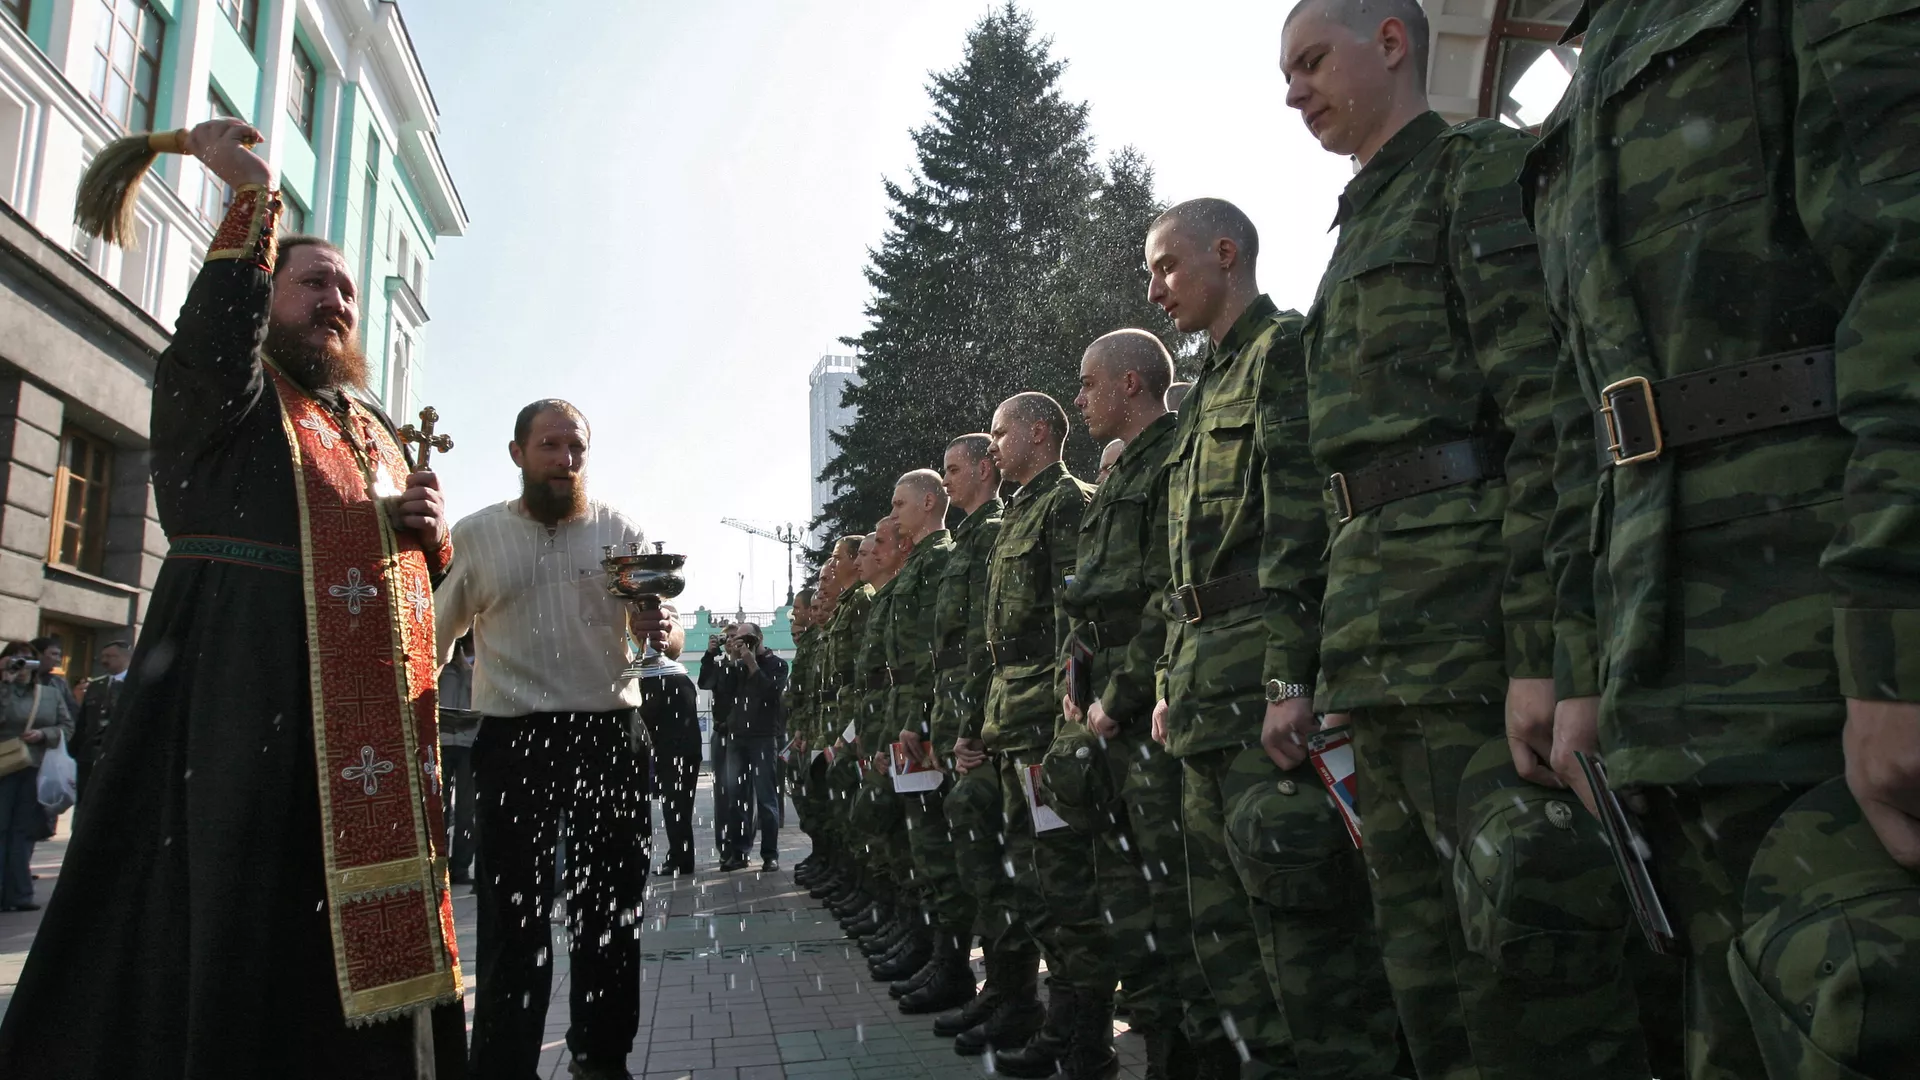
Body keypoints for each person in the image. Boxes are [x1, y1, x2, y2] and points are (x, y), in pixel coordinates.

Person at [0, 118, 468, 1078]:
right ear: (265, 292)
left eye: (347, 290)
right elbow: (219, 333)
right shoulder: (227, 395)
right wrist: (253, 199)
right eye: (314, 282)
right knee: (236, 956)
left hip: (364, 761)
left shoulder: (368, 428)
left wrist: (426, 535)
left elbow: (406, 595)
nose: (337, 301)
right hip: (239, 724)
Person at [1525, 0, 1920, 1075]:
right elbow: (1588, 412)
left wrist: (1898, 644)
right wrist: (1583, 661)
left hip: (1834, 674)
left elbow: (1906, 268)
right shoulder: (1597, 58)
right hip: (1673, 688)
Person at [1280, 2, 1668, 1074]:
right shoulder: (1357, 229)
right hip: (1384, 662)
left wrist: (1543, 652)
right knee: (1431, 997)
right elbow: (1342, 483)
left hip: (1476, 654)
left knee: (1532, 978)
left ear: (1390, 42)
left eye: (1311, 61)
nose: (1294, 91)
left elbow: (1547, 418)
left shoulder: (1477, 173)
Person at [1148, 197, 1399, 1078]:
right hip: (1205, 699)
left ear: (1225, 254)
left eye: (1167, 267)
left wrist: (1291, 681)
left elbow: (1299, 525)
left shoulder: (1282, 350)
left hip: (1263, 696)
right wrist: (1168, 680)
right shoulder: (1204, 391)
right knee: (1231, 953)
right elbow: (1182, 567)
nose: (1156, 290)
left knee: (1309, 952)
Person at [434, 397, 683, 1080]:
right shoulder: (478, 534)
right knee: (512, 913)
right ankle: (503, 1063)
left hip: (608, 734)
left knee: (611, 909)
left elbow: (664, 631)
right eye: (549, 446)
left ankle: (602, 1057)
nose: (565, 460)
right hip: (513, 741)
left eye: (576, 448)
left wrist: (661, 629)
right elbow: (432, 635)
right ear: (517, 453)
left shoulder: (618, 530)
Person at [1059, 330, 1191, 1078]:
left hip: (1147, 717)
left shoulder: (1173, 458)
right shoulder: (1116, 480)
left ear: (1131, 384)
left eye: (1088, 384)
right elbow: (1087, 601)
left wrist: (1121, 692)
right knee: (1126, 905)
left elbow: (1171, 589)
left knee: (1172, 905)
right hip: (1106, 716)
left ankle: (1179, 1059)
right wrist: (1077, 682)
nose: (1080, 399)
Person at [975, 392, 1104, 1079]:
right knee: (1031, 878)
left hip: (1045, 728)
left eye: (1001, 433)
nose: (992, 445)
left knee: (1064, 882)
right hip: (1012, 722)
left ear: (1040, 432)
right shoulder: (1018, 511)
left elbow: (1074, 624)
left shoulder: (1066, 503)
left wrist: (1066, 725)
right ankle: (1057, 1017)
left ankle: (1086, 1041)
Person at [926, 434, 1021, 1039]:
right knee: (969, 856)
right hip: (964, 711)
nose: (946, 480)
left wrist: (974, 726)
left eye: (954, 469)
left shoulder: (992, 534)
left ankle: (1014, 994)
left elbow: (991, 638)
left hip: (992, 717)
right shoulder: (969, 538)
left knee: (997, 861)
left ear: (985, 470)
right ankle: (993, 987)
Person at [871, 475, 955, 995]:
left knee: (931, 844)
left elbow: (932, 650)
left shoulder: (939, 559)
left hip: (922, 715)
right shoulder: (920, 564)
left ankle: (947, 961)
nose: (894, 511)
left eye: (900, 503)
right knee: (914, 841)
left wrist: (920, 717)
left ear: (928, 503)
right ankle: (924, 944)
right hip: (907, 710)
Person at [0, 642, 71, 913]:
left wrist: (44, 734)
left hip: (34, 767)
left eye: (27, 659)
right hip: (3, 768)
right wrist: (4, 684)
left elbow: (67, 726)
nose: (21, 665)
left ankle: (19, 894)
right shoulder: (3, 687)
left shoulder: (50, 694)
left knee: (23, 831)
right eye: (15, 659)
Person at [719, 621, 788, 872]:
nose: (743, 643)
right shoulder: (736, 666)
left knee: (767, 798)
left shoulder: (777, 664)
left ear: (759, 638)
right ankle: (739, 853)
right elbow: (723, 694)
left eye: (747, 638)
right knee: (736, 799)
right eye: (738, 639)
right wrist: (732, 660)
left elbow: (771, 693)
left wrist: (752, 664)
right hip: (737, 737)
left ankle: (770, 855)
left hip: (764, 738)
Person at [645, 659, 703, 879]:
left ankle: (679, 858)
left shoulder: (656, 682)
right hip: (690, 750)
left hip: (671, 752)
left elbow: (647, 717)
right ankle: (683, 857)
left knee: (673, 808)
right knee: (683, 808)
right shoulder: (683, 679)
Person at [437, 634, 479, 886]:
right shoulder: (441, 669)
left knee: (466, 809)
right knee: (440, 806)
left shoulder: (476, 668)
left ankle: (460, 866)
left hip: (467, 741)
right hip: (443, 741)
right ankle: (439, 863)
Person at [70, 639, 130, 805]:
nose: (104, 660)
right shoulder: (96, 685)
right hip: (89, 757)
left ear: (126, 657)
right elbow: (83, 722)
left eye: (110, 656)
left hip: (119, 756)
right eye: (102, 656)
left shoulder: (135, 685)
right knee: (84, 803)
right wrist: (74, 751)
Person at [699, 621, 738, 862]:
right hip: (722, 734)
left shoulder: (750, 665)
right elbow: (704, 683)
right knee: (723, 793)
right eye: (727, 637)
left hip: (745, 736)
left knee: (744, 793)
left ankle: (741, 847)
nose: (731, 641)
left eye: (736, 636)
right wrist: (709, 655)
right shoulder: (719, 666)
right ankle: (725, 847)